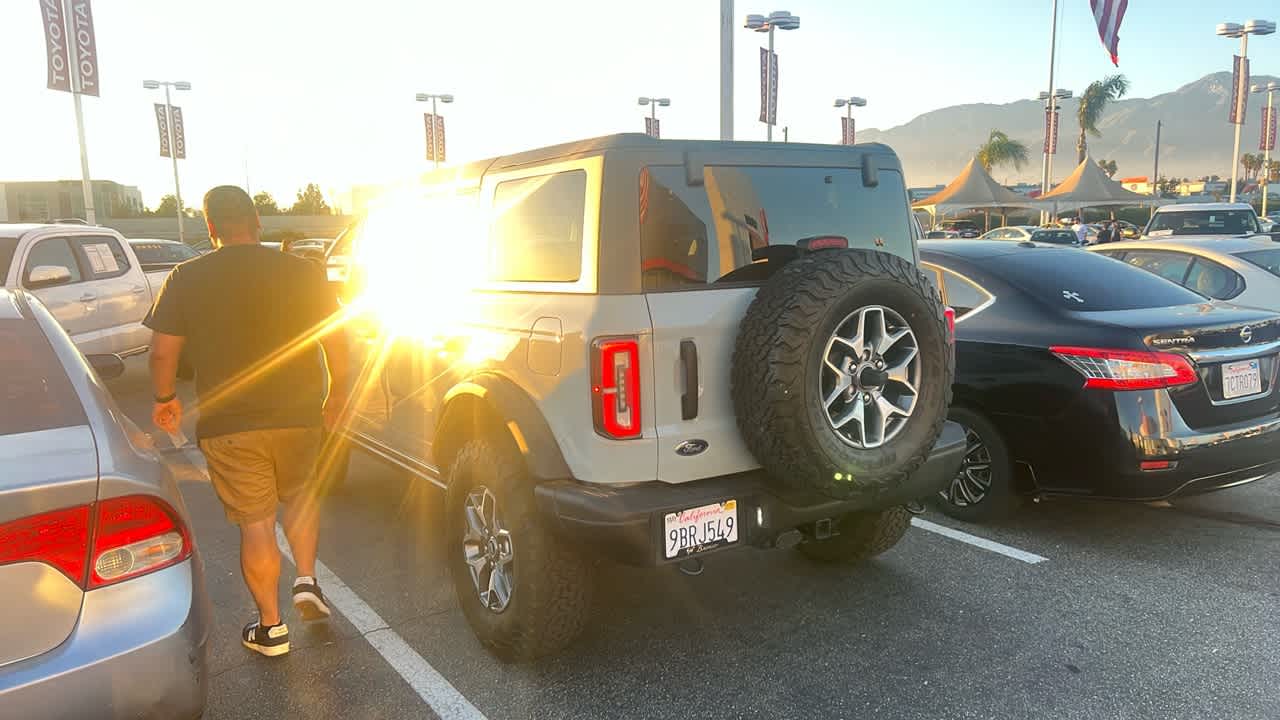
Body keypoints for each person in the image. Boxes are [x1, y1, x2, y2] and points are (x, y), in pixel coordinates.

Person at [146, 186, 350, 658]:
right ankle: (306, 581)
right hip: (299, 414)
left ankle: (271, 628)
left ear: (211, 228)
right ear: (258, 219)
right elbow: (337, 338)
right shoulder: (304, 270)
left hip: (229, 422)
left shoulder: (187, 275)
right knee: (300, 495)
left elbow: (162, 350)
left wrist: (164, 398)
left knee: (256, 523)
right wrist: (339, 391)